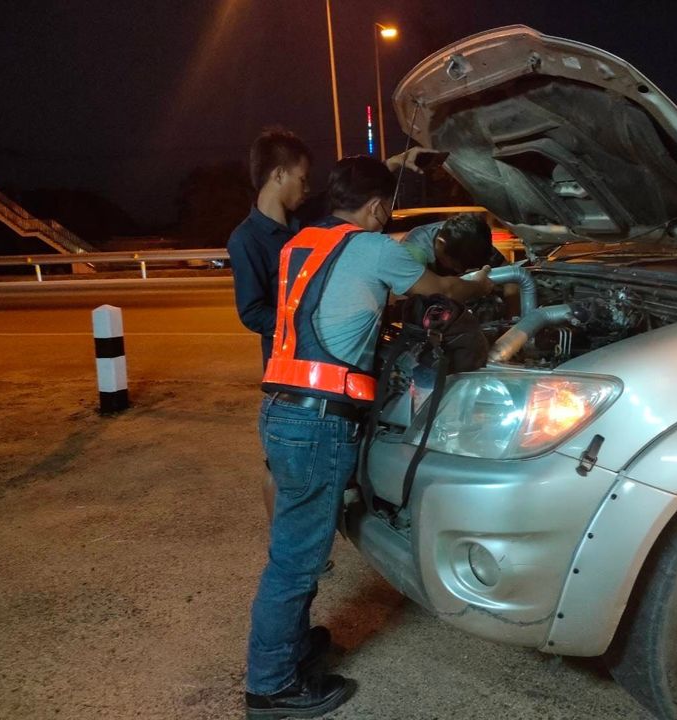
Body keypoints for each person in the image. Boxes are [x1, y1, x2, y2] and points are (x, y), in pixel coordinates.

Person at [245, 155, 494, 718]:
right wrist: (480, 283)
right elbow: (440, 288)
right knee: (296, 559)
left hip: (281, 407)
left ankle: (289, 648)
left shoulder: (300, 244)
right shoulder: (375, 248)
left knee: (295, 543)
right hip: (317, 420)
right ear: (379, 207)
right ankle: (272, 687)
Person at [226, 128, 428, 522]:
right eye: (302, 179)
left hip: (334, 372)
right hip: (290, 370)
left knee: (330, 459)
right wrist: (308, 320)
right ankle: (285, 535)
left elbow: (353, 199)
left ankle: (317, 531)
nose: (307, 189)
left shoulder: (307, 221)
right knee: (281, 470)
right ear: (278, 174)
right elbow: (251, 312)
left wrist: (393, 164)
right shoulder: (246, 239)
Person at [399, 212, 500, 276]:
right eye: (455, 266)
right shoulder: (414, 252)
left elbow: (506, 277)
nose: (461, 271)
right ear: (440, 243)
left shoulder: (472, 237)